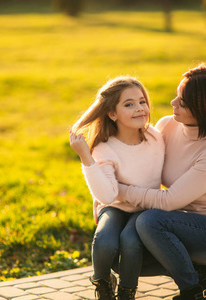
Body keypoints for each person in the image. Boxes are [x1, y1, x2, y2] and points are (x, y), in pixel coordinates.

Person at [116, 63, 206, 300]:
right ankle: (198, 272)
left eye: (183, 103)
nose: (173, 104)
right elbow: (141, 165)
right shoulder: (167, 125)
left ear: (204, 111)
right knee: (121, 252)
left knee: (149, 221)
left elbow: (168, 202)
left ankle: (191, 291)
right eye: (177, 96)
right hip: (182, 223)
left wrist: (118, 191)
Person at [69, 76, 165, 300]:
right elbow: (108, 194)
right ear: (112, 114)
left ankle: (127, 292)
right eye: (129, 104)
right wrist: (85, 156)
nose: (140, 108)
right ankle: (102, 285)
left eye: (142, 101)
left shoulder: (155, 137)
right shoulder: (104, 148)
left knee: (131, 244)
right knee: (104, 241)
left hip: (146, 208)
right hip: (114, 206)